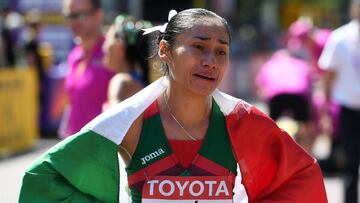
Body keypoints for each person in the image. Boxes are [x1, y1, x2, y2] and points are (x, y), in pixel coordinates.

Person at [19, 8, 327, 202]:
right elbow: (46, 179)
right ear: (165, 51)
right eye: (198, 47)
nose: (211, 61)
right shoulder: (132, 123)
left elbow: (300, 179)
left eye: (221, 52)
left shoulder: (241, 123)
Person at [318, 0, 360, 202]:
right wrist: (325, 113)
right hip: (349, 110)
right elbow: (328, 78)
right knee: (350, 165)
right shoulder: (340, 37)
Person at [59, 0, 115, 138]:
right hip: (75, 148)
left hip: (102, 149)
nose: (75, 22)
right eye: (70, 16)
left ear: (98, 15)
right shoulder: (74, 55)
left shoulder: (112, 53)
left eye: (82, 15)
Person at [103, 15, 152, 108]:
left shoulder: (121, 82)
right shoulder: (138, 82)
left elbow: (115, 122)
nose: (104, 46)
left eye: (107, 39)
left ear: (119, 47)